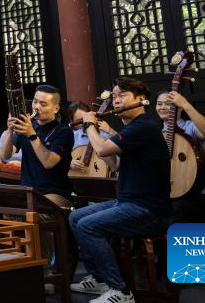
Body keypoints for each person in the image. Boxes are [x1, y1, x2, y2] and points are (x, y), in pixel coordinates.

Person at [69, 78, 172, 303]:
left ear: (140, 100)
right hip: (128, 202)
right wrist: (98, 132)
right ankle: (99, 279)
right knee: (75, 217)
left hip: (149, 209)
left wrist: (89, 125)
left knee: (87, 226)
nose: (116, 101)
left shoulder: (144, 126)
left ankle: (120, 291)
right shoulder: (131, 129)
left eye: (122, 95)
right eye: (114, 96)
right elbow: (115, 164)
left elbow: (102, 150)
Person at [0, 84, 73, 208]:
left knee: (26, 213)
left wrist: (31, 134)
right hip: (28, 192)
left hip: (55, 194)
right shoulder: (28, 126)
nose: (37, 107)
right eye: (35, 101)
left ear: (56, 108)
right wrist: (10, 130)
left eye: (43, 104)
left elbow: (48, 162)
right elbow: (6, 155)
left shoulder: (64, 132)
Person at [156, 91, 205, 223]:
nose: (162, 107)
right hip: (171, 196)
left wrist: (185, 104)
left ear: (179, 107)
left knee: (176, 211)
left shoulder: (190, 127)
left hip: (201, 194)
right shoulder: (158, 135)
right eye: (159, 104)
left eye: (168, 104)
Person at [69, 101, 115, 173]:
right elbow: (58, 159)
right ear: (72, 122)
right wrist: (70, 163)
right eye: (79, 121)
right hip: (75, 177)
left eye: (85, 119)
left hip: (100, 176)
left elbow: (116, 164)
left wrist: (111, 131)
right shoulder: (72, 136)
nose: (84, 123)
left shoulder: (106, 135)